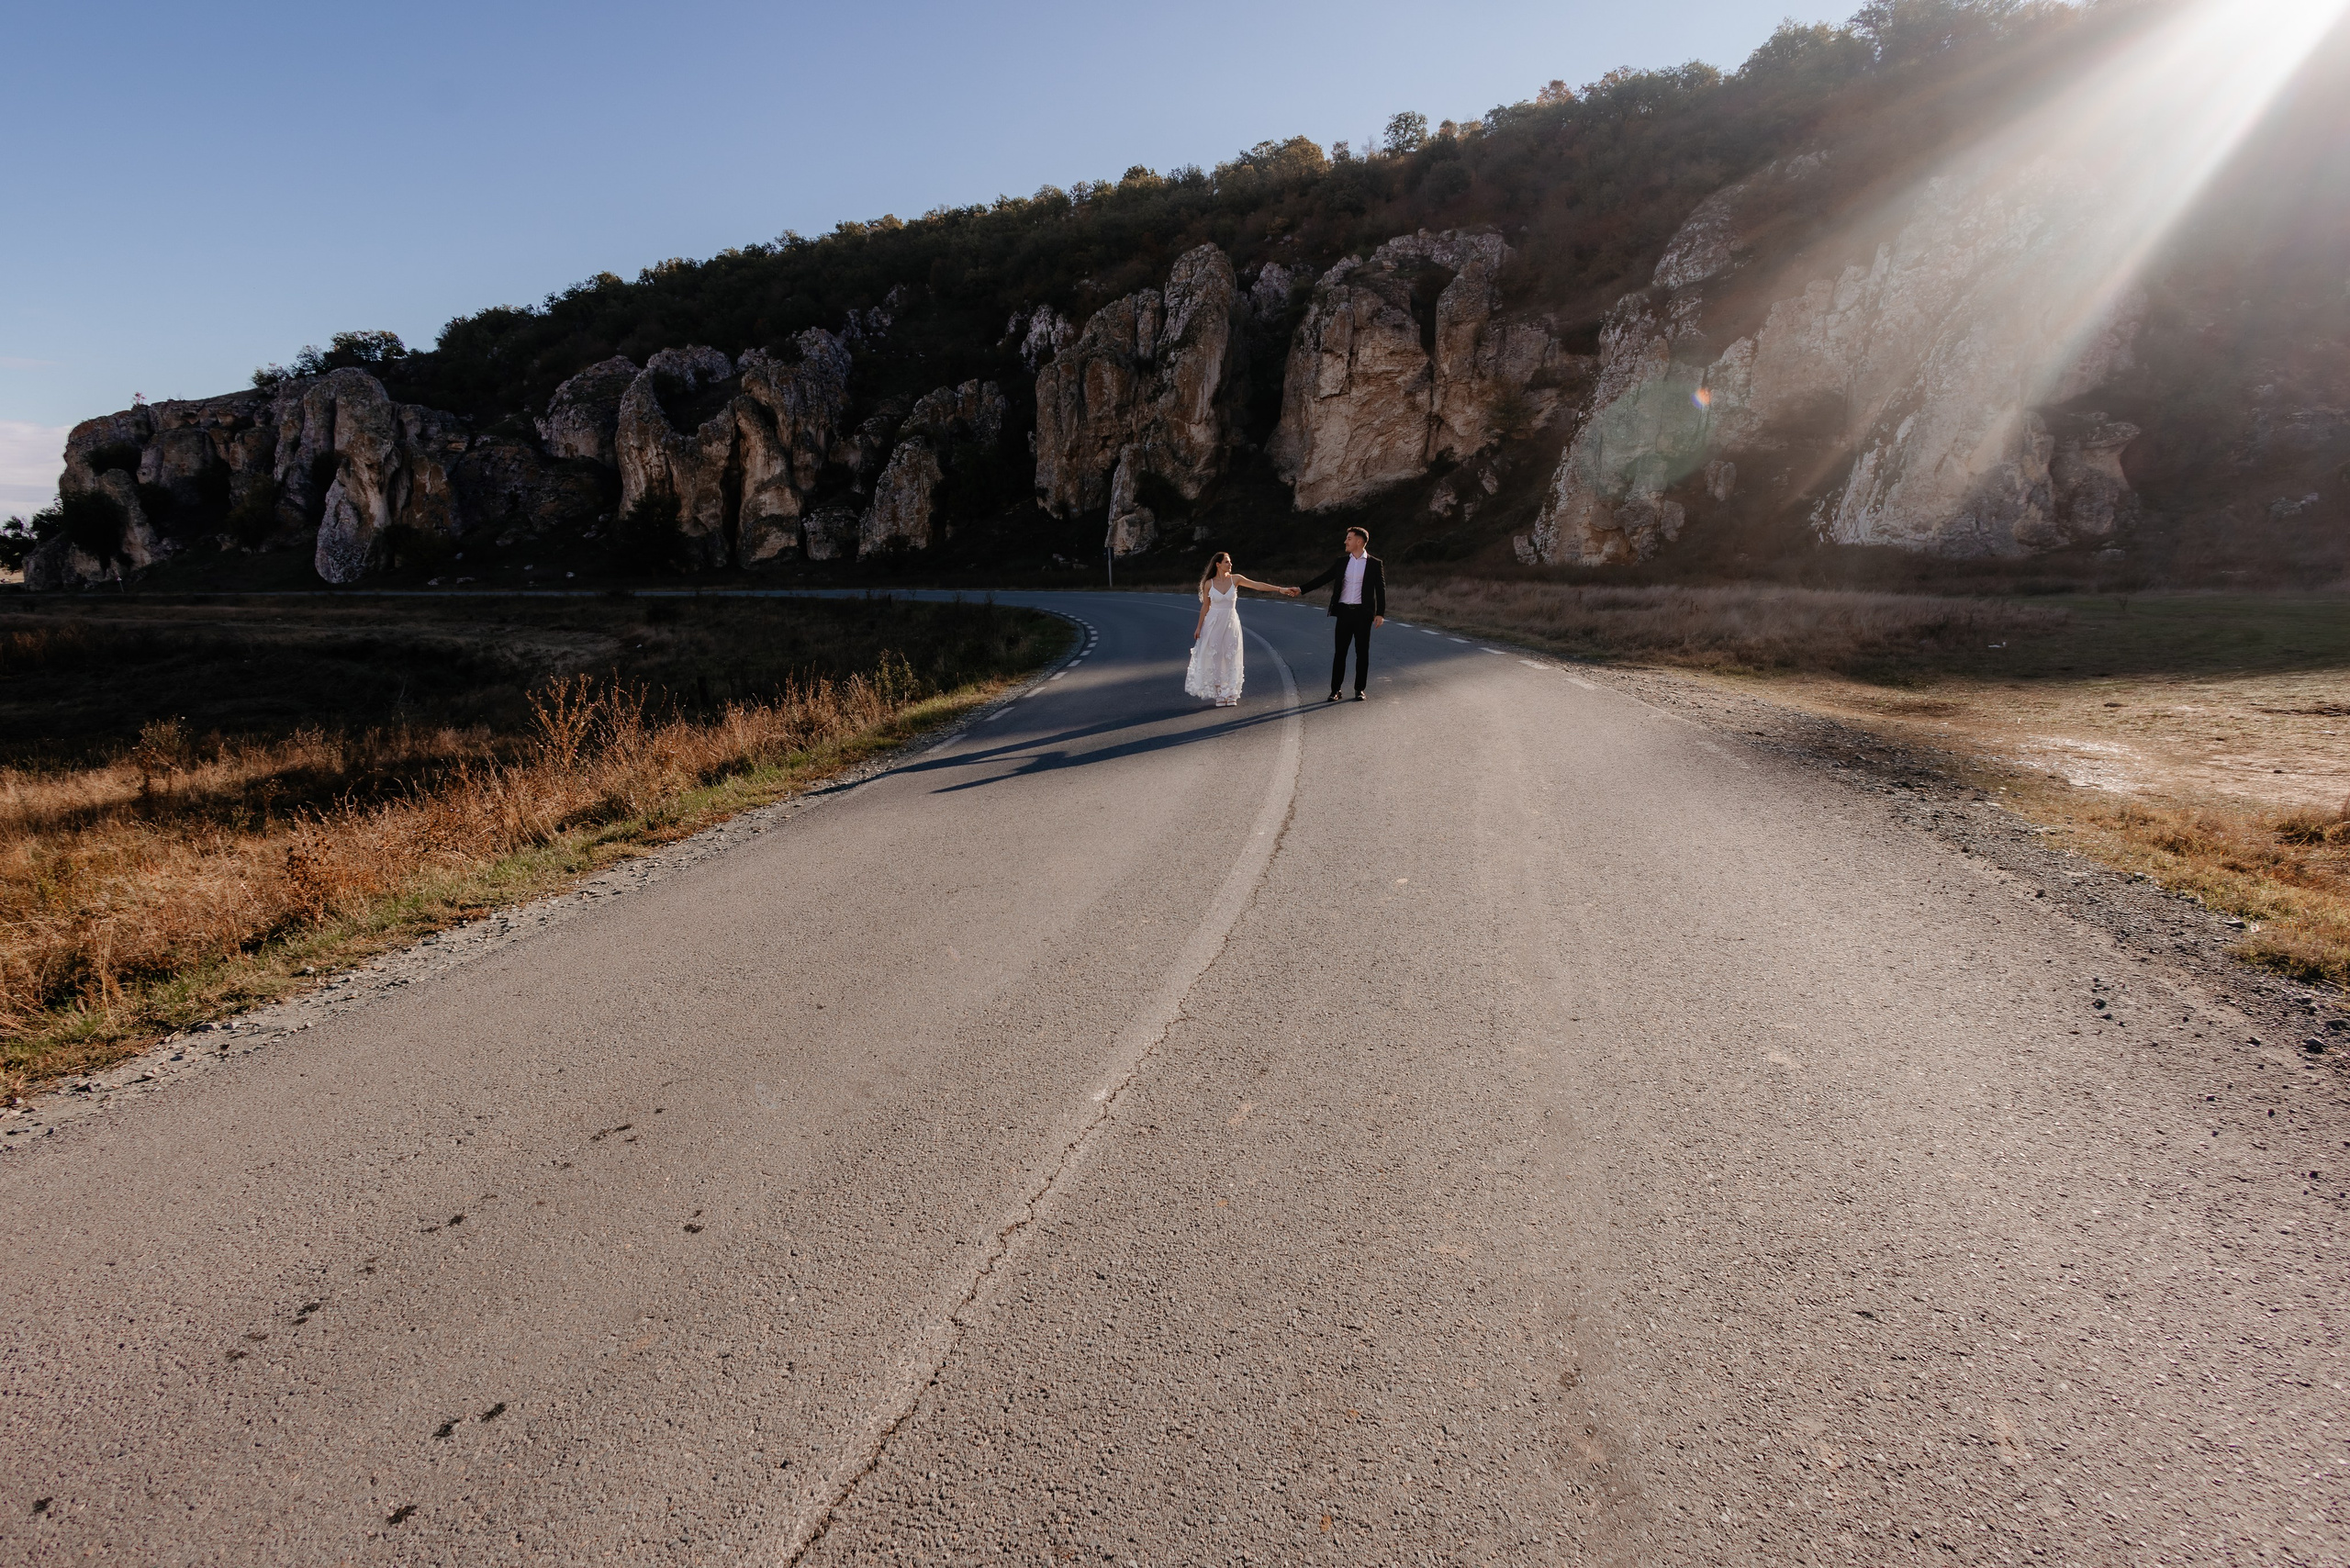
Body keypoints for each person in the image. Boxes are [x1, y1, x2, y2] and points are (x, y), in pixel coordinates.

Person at [1185, 552, 1297, 707]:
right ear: (1218, 564)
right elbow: (1205, 606)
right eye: (1227, 562)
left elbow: (1257, 585)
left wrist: (1279, 589)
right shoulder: (1209, 583)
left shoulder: (1235, 579)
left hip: (1231, 621)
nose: (1230, 564)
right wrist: (1198, 627)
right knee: (1216, 656)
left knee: (1231, 654)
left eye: (1230, 562)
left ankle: (1231, 692)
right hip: (1213, 623)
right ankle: (1220, 693)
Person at [1295, 526, 1385, 701]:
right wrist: (1300, 589)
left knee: (1362, 653)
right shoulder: (1342, 562)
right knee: (1340, 653)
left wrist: (1380, 613)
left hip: (1363, 615)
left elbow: (1380, 590)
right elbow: (1323, 578)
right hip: (1344, 612)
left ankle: (1360, 689)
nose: (1345, 541)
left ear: (1359, 541)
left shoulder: (1375, 564)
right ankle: (1335, 690)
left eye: (1349, 538)